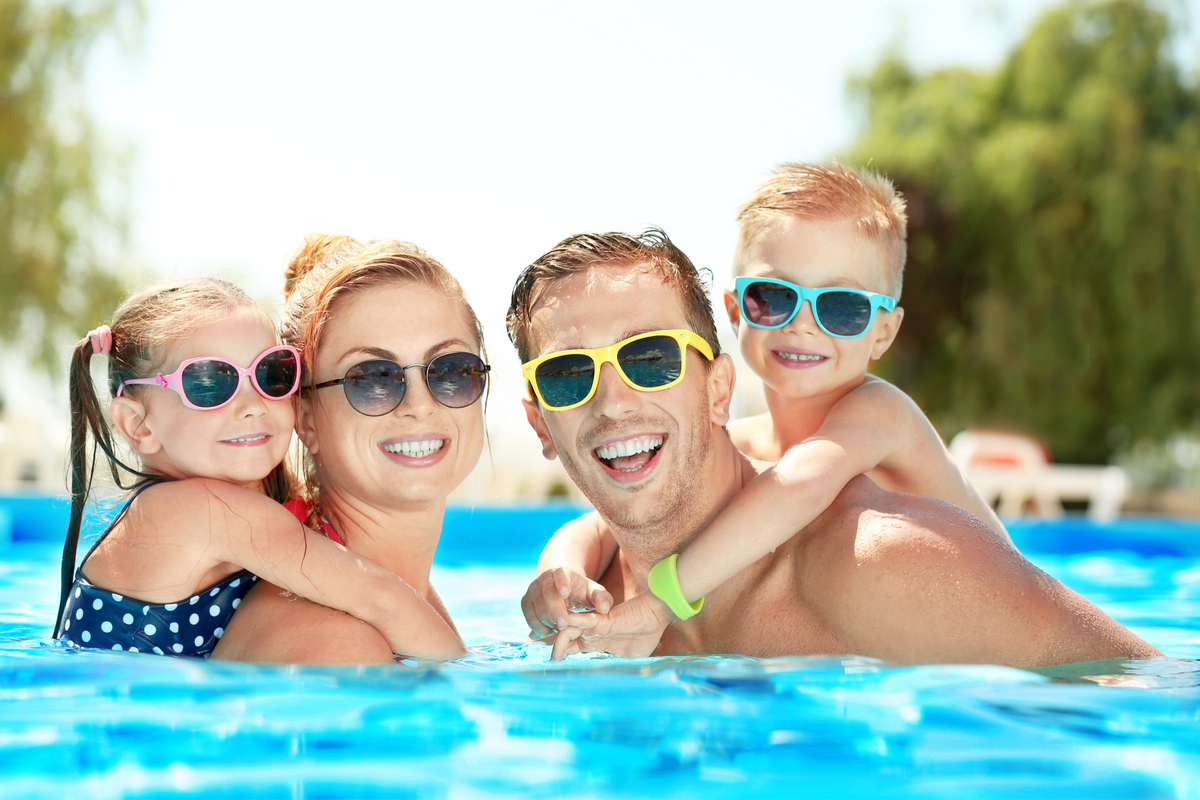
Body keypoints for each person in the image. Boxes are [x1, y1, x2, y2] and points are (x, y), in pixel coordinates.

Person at [507, 228, 1160, 666]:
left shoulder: (881, 567)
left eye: (651, 359)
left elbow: (1149, 693)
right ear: (541, 427)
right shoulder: (584, 610)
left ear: (718, 390)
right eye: (568, 376)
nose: (614, 403)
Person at [525, 162, 1013, 647]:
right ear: (736, 310)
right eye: (773, 297)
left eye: (841, 306)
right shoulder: (743, 442)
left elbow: (801, 486)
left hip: (997, 611)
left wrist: (661, 602)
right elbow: (597, 527)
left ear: (884, 332)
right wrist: (561, 577)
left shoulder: (882, 414)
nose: (802, 324)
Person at [56, 277, 465, 659]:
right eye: (211, 383)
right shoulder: (203, 510)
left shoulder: (235, 505)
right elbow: (378, 594)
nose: (253, 406)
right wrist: (467, 678)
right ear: (138, 424)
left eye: (272, 374)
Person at [212, 235, 489, 664]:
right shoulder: (338, 645)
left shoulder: (404, 595)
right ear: (304, 419)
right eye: (372, 378)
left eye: (452, 370)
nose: (419, 405)